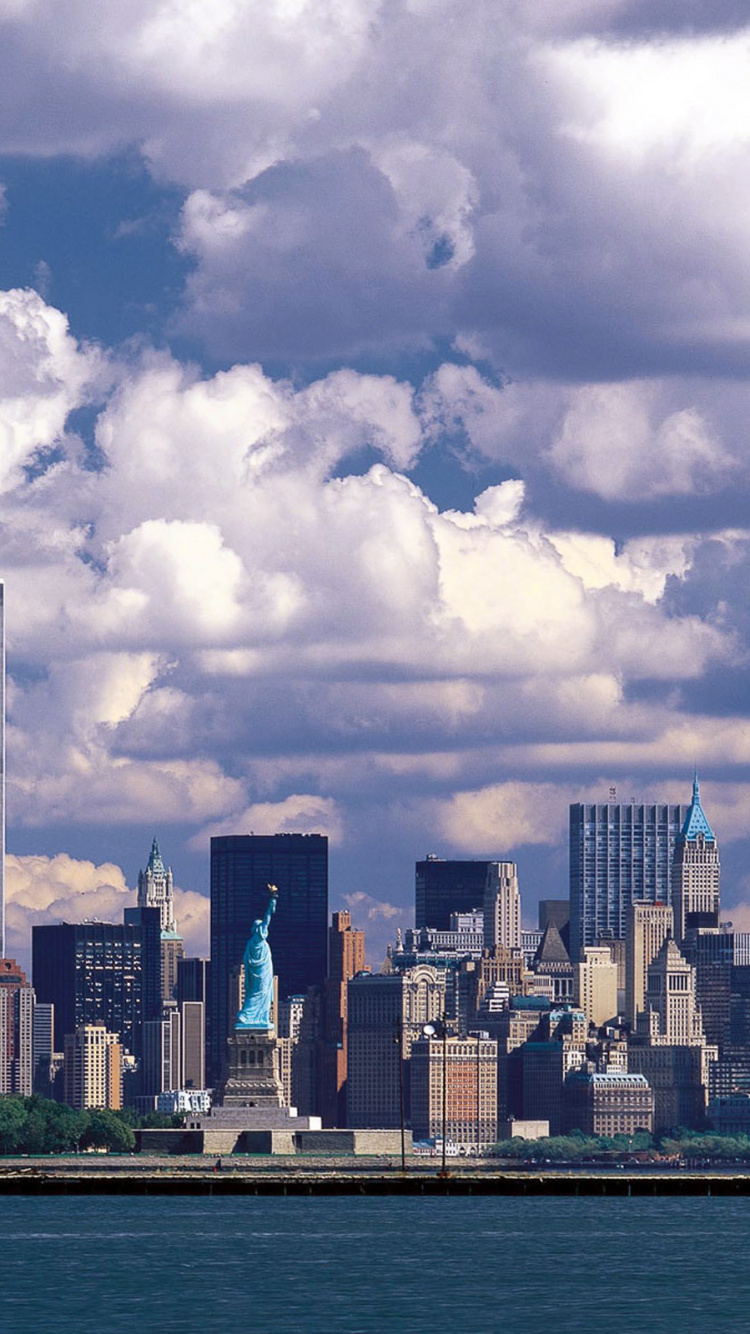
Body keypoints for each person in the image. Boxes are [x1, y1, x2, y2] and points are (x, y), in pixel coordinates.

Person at [235, 885, 278, 1029]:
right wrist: (272, 900)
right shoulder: (258, 940)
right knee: (260, 993)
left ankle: (256, 1017)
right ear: (258, 930)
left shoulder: (250, 943)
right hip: (261, 974)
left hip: (257, 973)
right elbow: (267, 919)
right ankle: (247, 1015)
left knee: (255, 993)